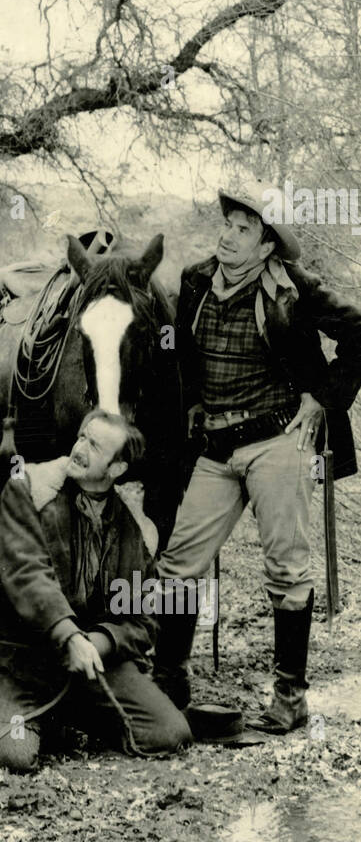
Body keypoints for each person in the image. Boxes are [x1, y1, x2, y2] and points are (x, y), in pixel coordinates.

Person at [153, 184, 361, 732]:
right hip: (216, 447)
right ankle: (168, 685)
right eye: (227, 225)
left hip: (277, 442)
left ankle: (290, 698)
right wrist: (196, 400)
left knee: (287, 569)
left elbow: (359, 332)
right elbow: (186, 353)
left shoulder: (296, 289)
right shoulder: (196, 281)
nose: (227, 236)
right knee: (178, 563)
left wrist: (322, 397)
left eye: (243, 229)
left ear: (268, 246)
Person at [0, 410, 192, 772]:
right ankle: (13, 711)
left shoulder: (132, 531)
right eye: (82, 436)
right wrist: (68, 636)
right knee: (13, 755)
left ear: (117, 470)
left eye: (94, 446)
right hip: (13, 664)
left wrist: (98, 643)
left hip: (83, 668)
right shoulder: (28, 489)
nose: (79, 448)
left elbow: (142, 620)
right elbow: (27, 572)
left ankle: (63, 712)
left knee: (169, 732)